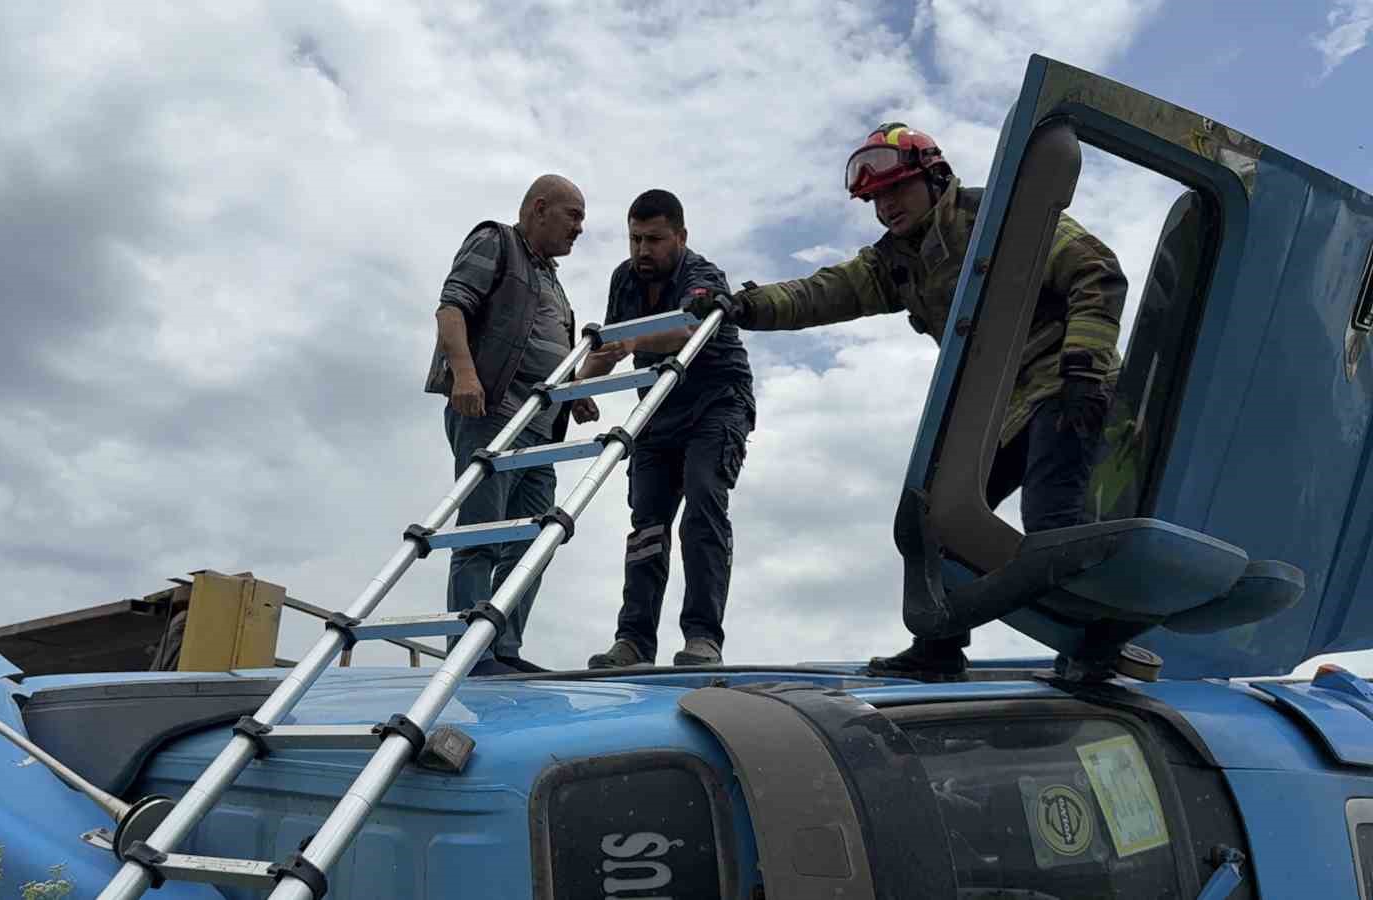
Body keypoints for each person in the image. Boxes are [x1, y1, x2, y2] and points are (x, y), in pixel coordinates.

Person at [686, 123, 1126, 681]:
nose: (886, 206)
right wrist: (745, 305)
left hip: (1065, 386)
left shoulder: (1003, 219)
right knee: (932, 515)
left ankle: (1095, 649)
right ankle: (939, 646)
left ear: (933, 177)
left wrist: (1085, 368)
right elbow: (822, 292)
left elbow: (1096, 269)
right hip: (999, 410)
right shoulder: (896, 262)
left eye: (897, 190)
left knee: (1053, 519)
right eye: (876, 198)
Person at [575, 189, 756, 669]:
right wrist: (580, 388)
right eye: (635, 239)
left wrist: (634, 339)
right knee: (646, 525)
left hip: (716, 403)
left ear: (680, 236)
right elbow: (611, 345)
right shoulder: (625, 279)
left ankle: (701, 638)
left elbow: (689, 327)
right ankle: (633, 640)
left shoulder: (702, 275)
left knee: (702, 508)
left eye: (654, 240)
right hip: (658, 411)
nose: (642, 251)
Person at [423, 174, 587, 674]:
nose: (579, 228)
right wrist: (466, 374)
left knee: (534, 542)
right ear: (540, 208)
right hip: (491, 412)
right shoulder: (497, 241)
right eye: (573, 216)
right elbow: (451, 307)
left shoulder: (554, 281)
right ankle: (471, 654)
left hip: (541, 431)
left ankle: (504, 650)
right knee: (481, 536)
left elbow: (545, 346)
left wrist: (576, 392)